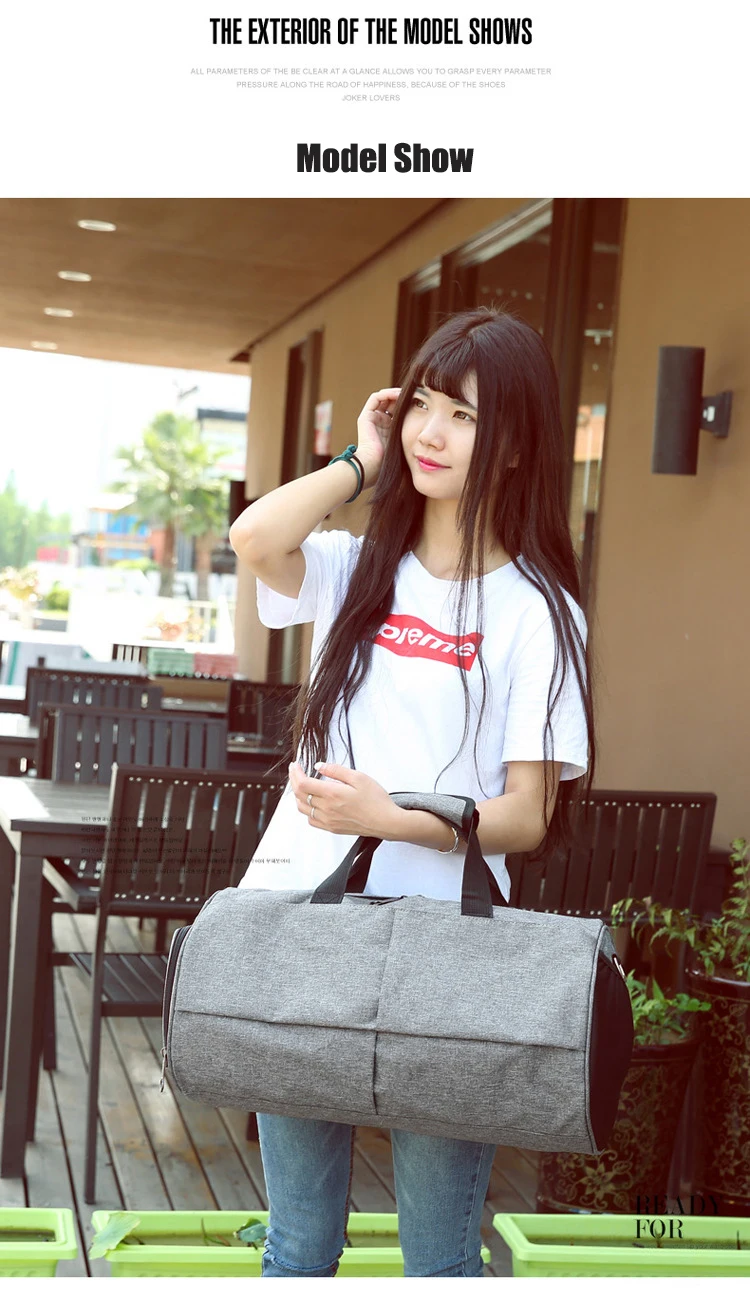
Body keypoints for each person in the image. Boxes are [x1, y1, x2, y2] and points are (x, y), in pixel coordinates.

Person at [229, 306, 595, 1277]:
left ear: (513, 444)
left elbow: (528, 815)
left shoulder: (539, 612)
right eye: (424, 404)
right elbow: (254, 535)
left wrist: (393, 819)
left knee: (437, 1260)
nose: (432, 432)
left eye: (464, 415)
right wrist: (361, 460)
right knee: (296, 1246)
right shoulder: (354, 568)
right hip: (306, 926)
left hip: (447, 956)